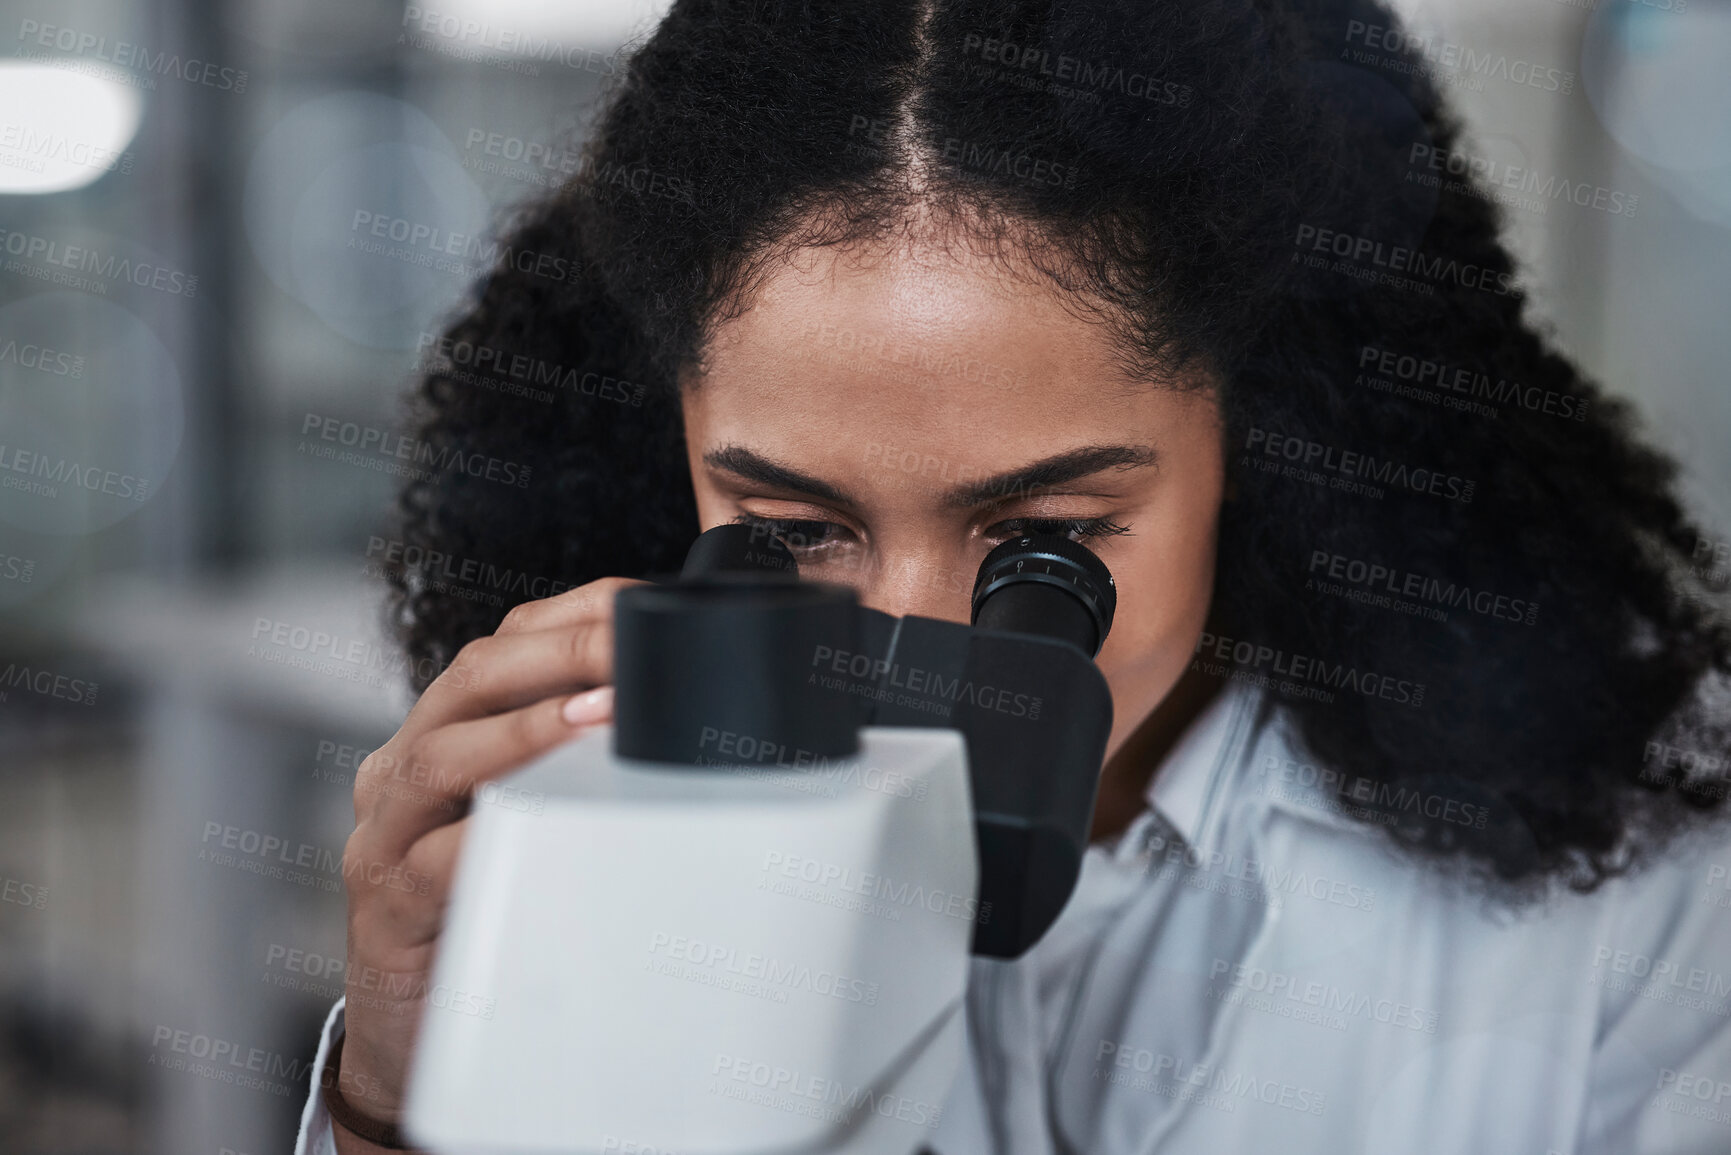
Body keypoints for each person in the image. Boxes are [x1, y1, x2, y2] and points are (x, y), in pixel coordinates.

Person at [295, 0, 1731, 1151]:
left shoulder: (1654, 904)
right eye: (792, 531)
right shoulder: (615, 832)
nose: (914, 633)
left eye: (1048, 544)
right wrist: (403, 1106)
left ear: (1278, 437)